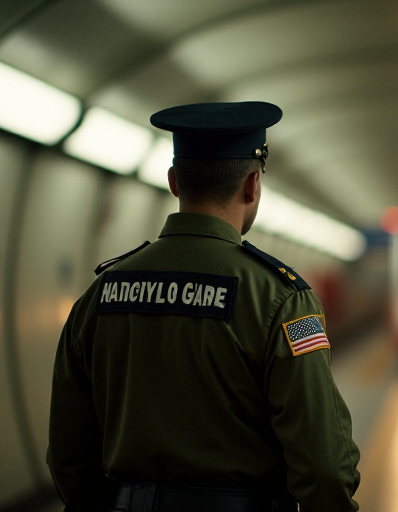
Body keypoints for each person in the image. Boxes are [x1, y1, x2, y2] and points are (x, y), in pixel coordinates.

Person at [47, 101, 361, 512]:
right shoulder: (283, 299)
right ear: (252, 185)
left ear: (175, 181)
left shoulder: (101, 293)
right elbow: (323, 467)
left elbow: (69, 457)